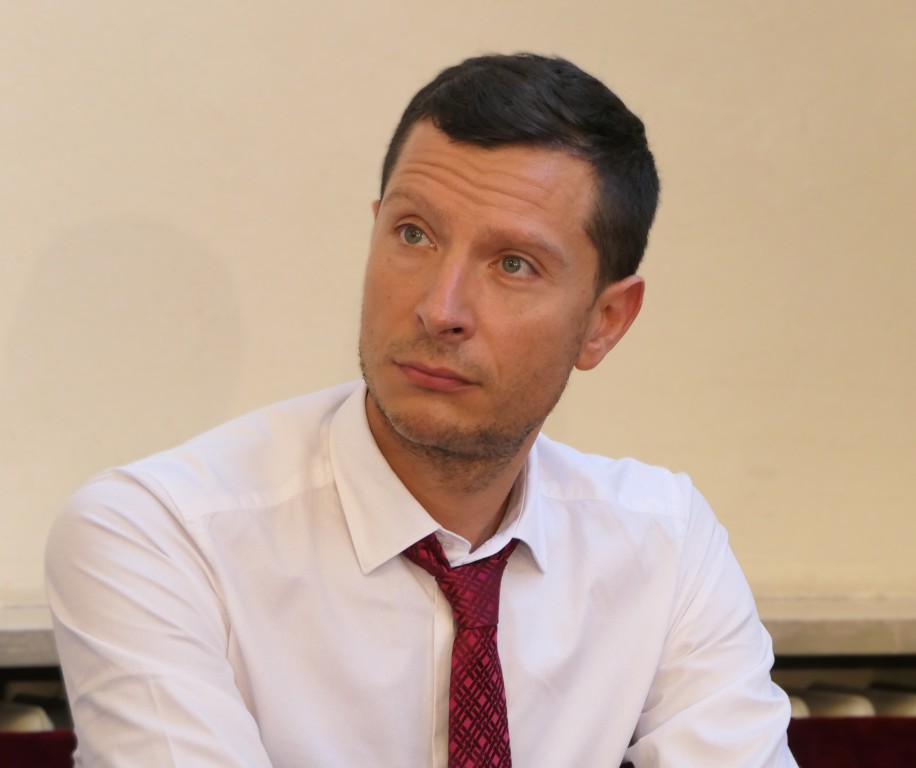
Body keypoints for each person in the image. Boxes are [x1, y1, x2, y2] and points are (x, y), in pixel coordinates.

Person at [46, 53, 797, 767]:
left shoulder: (665, 543)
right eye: (414, 235)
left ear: (605, 322)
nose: (441, 310)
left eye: (513, 264)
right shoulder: (157, 535)